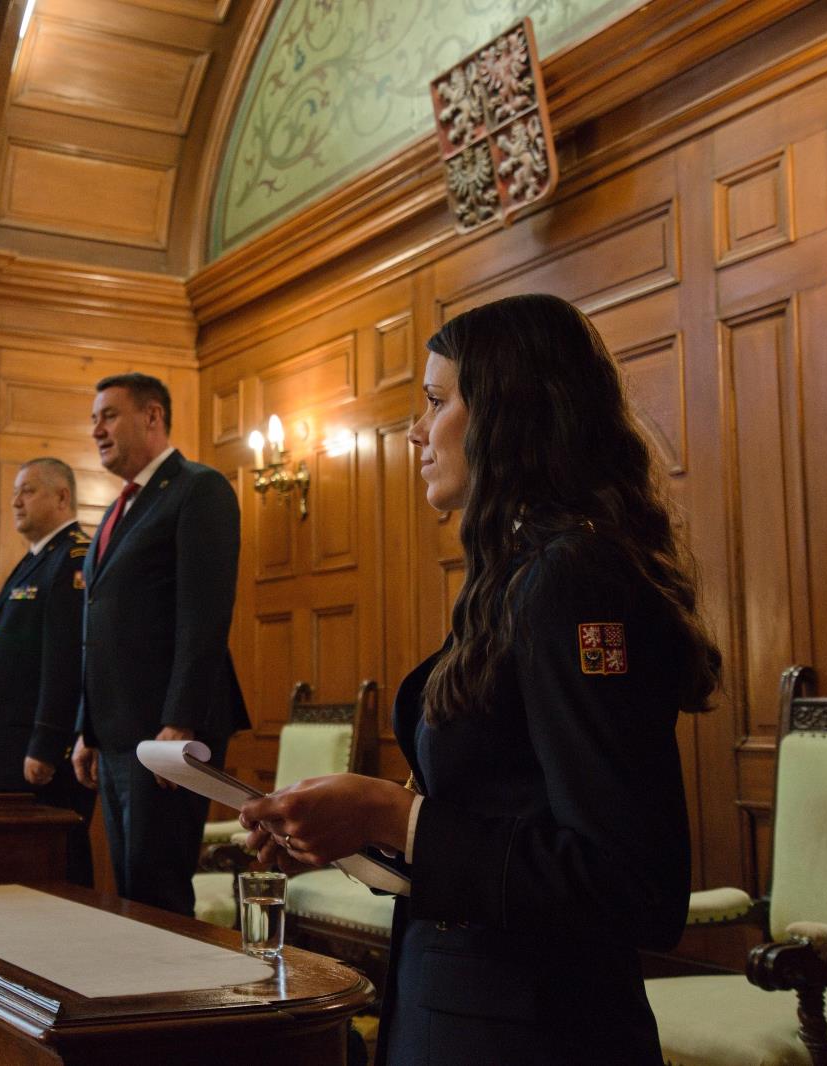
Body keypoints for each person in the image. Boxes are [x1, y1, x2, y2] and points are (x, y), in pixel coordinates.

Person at [239, 293, 720, 1065]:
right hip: (465, 1009)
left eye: (436, 402)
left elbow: (631, 885)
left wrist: (392, 815)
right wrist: (359, 836)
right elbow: (495, 815)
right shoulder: (516, 573)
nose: (415, 431)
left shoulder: (571, 577)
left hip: (534, 1031)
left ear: (509, 411)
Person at [71, 372, 250, 916]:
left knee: (159, 894)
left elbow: (205, 614)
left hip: (167, 731)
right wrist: (87, 729)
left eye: (109, 415)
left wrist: (180, 722)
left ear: (152, 416)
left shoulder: (199, 489)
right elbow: (98, 629)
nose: (96, 430)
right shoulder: (119, 508)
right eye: (94, 419)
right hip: (117, 733)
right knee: (131, 891)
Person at [0, 457, 97, 886]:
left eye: (28, 490)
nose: (16, 502)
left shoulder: (73, 557)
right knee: (17, 873)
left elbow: (66, 661)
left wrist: (45, 744)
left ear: (62, 497)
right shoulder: (36, 560)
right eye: (14, 492)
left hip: (42, 756)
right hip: (13, 749)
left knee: (57, 871)